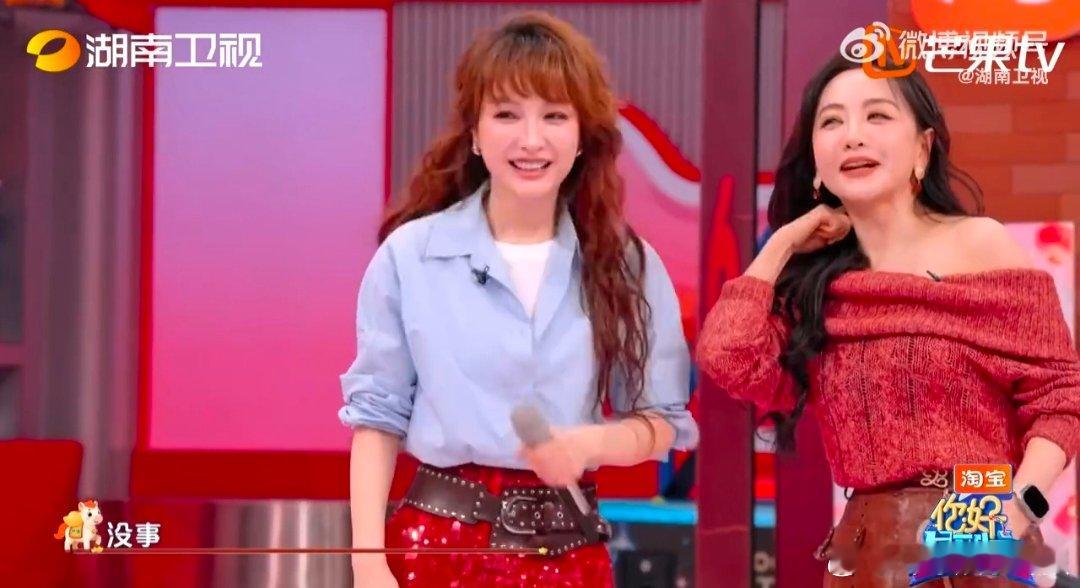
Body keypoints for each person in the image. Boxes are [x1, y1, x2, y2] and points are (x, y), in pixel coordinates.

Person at [339, 12, 698, 588]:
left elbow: (661, 422)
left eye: (554, 116)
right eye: (507, 114)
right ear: (474, 133)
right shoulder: (411, 256)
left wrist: (588, 443)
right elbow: (376, 418)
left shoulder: (626, 264)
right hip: (438, 550)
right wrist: (368, 563)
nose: (531, 140)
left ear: (582, 136)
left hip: (570, 554)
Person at [696, 54, 1079, 587]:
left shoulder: (981, 244)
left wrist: (1018, 507)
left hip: (981, 531)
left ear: (923, 148)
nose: (853, 136)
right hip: (867, 552)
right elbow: (728, 357)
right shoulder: (814, 290)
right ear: (816, 161)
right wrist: (782, 243)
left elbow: (1059, 396)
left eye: (877, 115)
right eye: (832, 121)